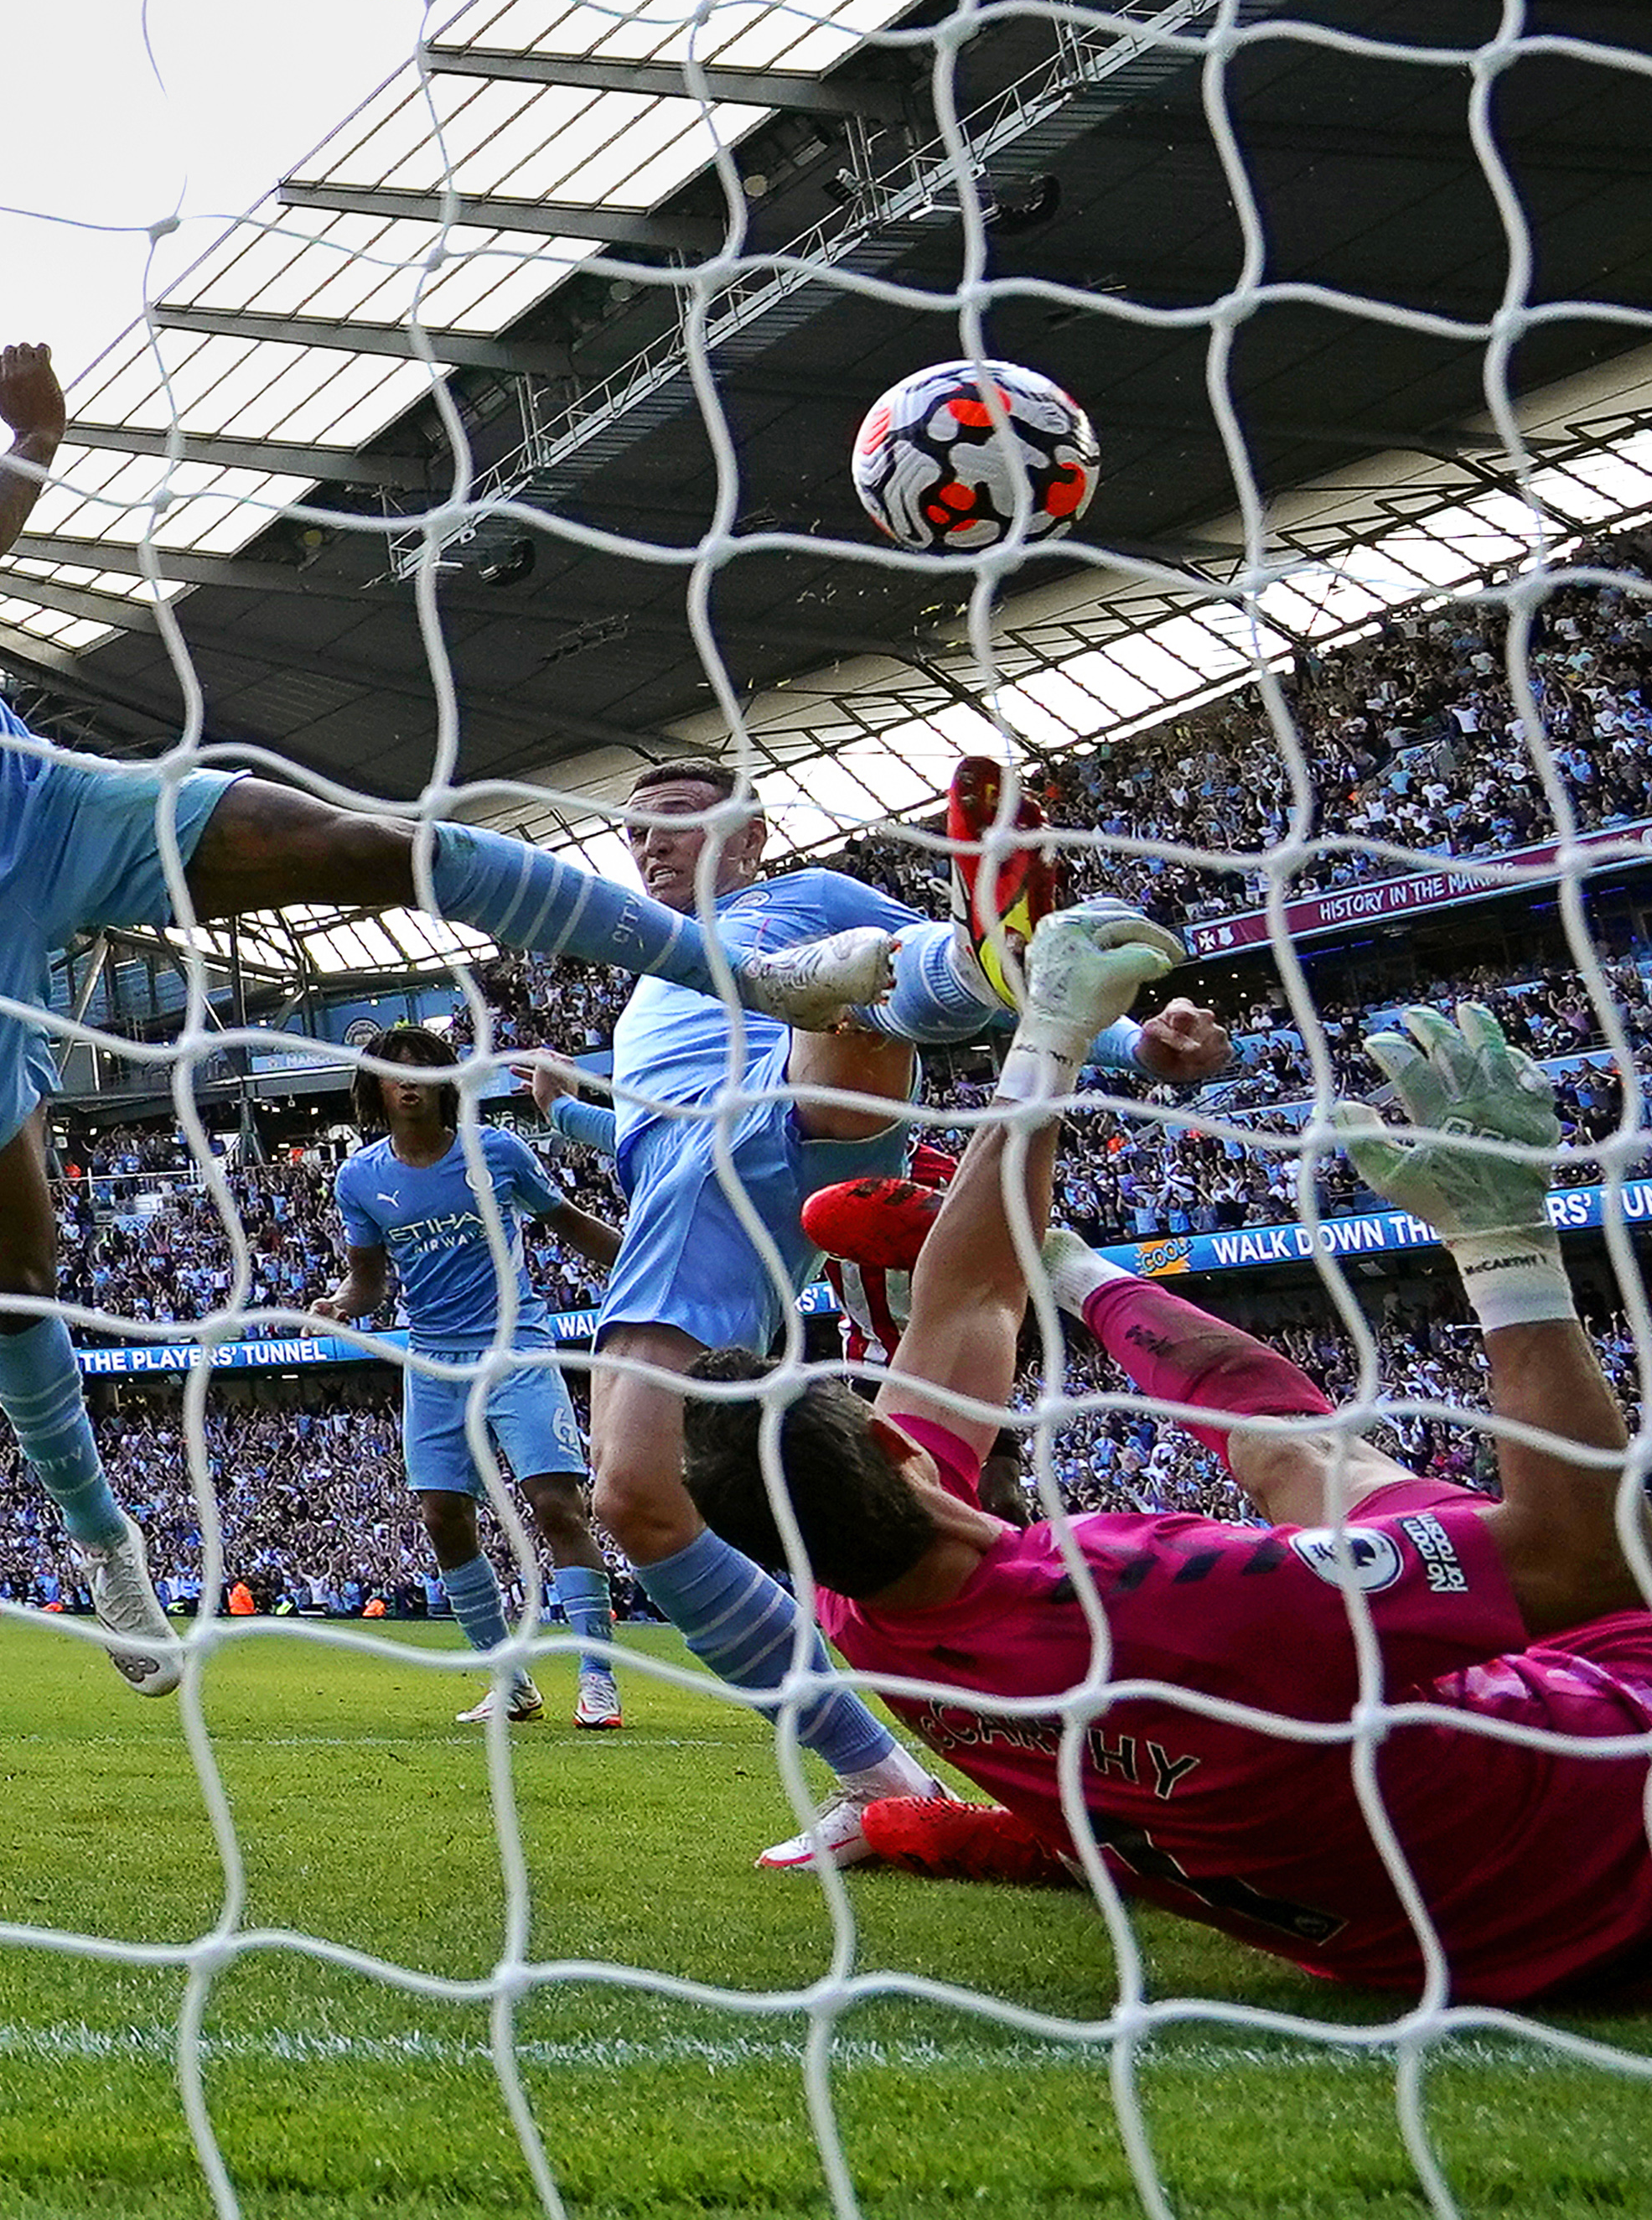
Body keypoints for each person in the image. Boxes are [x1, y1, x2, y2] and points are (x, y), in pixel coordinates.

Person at [0, 338, 894, 1698]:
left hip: (51, 802)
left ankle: (757, 978)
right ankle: (104, 1547)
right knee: (5, 1259)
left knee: (367, 843)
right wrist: (30, 439)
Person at [685, 907, 1652, 2004]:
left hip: (1459, 1954)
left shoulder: (863, 1622)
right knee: (1314, 1472)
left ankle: (1080, 1268)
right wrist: (1508, 1242)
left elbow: (969, 1304)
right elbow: (1586, 1563)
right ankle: (1491, 1248)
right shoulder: (1168, 1597)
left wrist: (1039, 1157)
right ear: (897, 1443)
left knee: (1299, 1493)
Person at [526, 758, 1232, 1867]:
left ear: (752, 837)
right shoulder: (648, 968)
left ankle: (966, 940)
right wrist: (574, 1120)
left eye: (674, 826)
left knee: (861, 988)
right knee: (637, 1498)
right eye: (635, 837)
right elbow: (645, 1124)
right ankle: (881, 1774)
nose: (649, 849)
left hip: (771, 1124)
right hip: (700, 1180)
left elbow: (981, 983)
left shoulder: (800, 898)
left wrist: (1135, 1044)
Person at [312, 1027, 626, 1730]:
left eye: (425, 1067)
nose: (411, 1080)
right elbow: (368, 1284)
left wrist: (645, 1265)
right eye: (395, 1071)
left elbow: (569, 1224)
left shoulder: (498, 1152)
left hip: (516, 1348)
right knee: (440, 1517)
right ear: (376, 1088)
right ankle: (508, 1678)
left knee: (557, 1506)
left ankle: (598, 1677)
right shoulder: (360, 1178)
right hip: (432, 1360)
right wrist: (339, 1304)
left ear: (449, 1081)